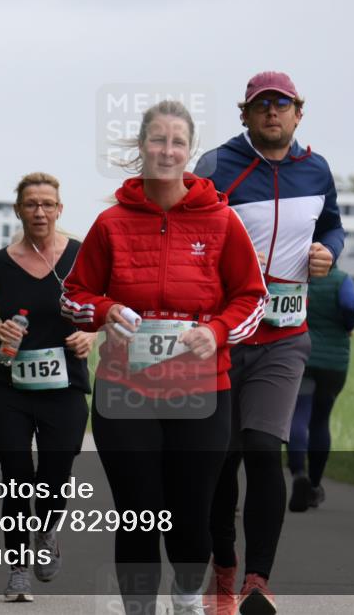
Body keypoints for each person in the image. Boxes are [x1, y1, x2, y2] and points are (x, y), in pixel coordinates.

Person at [62, 100, 268, 615]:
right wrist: (105, 311)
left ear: (189, 151)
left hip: (201, 391)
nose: (167, 150)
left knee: (190, 513)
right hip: (124, 390)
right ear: (141, 146)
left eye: (178, 141)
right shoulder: (111, 223)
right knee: (138, 512)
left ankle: (186, 596)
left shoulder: (222, 221)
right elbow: (72, 296)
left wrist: (216, 332)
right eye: (158, 139)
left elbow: (252, 298)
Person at [193, 71, 344, 614]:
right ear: (245, 114)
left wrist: (329, 251)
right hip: (224, 336)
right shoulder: (216, 166)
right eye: (261, 105)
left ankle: (257, 580)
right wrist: (226, 254)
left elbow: (332, 226)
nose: (272, 113)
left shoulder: (317, 169)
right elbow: (186, 232)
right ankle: (224, 568)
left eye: (281, 104)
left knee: (262, 449)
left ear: (299, 112)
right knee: (221, 459)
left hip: (284, 336)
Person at [0, 172, 97, 603]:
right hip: (10, 383)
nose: (40, 211)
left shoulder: (81, 256)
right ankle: (17, 569)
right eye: (31, 204)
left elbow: (103, 307)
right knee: (17, 477)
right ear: (18, 210)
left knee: (55, 472)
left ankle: (46, 530)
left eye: (47, 204)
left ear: (59, 210)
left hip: (65, 384)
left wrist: (90, 334)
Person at [286, 263, 354, 512]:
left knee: (298, 415)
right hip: (333, 364)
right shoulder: (341, 279)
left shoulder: (294, 276)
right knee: (320, 421)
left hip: (300, 356)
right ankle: (315, 485)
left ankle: (299, 474)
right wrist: (348, 325)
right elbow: (350, 305)